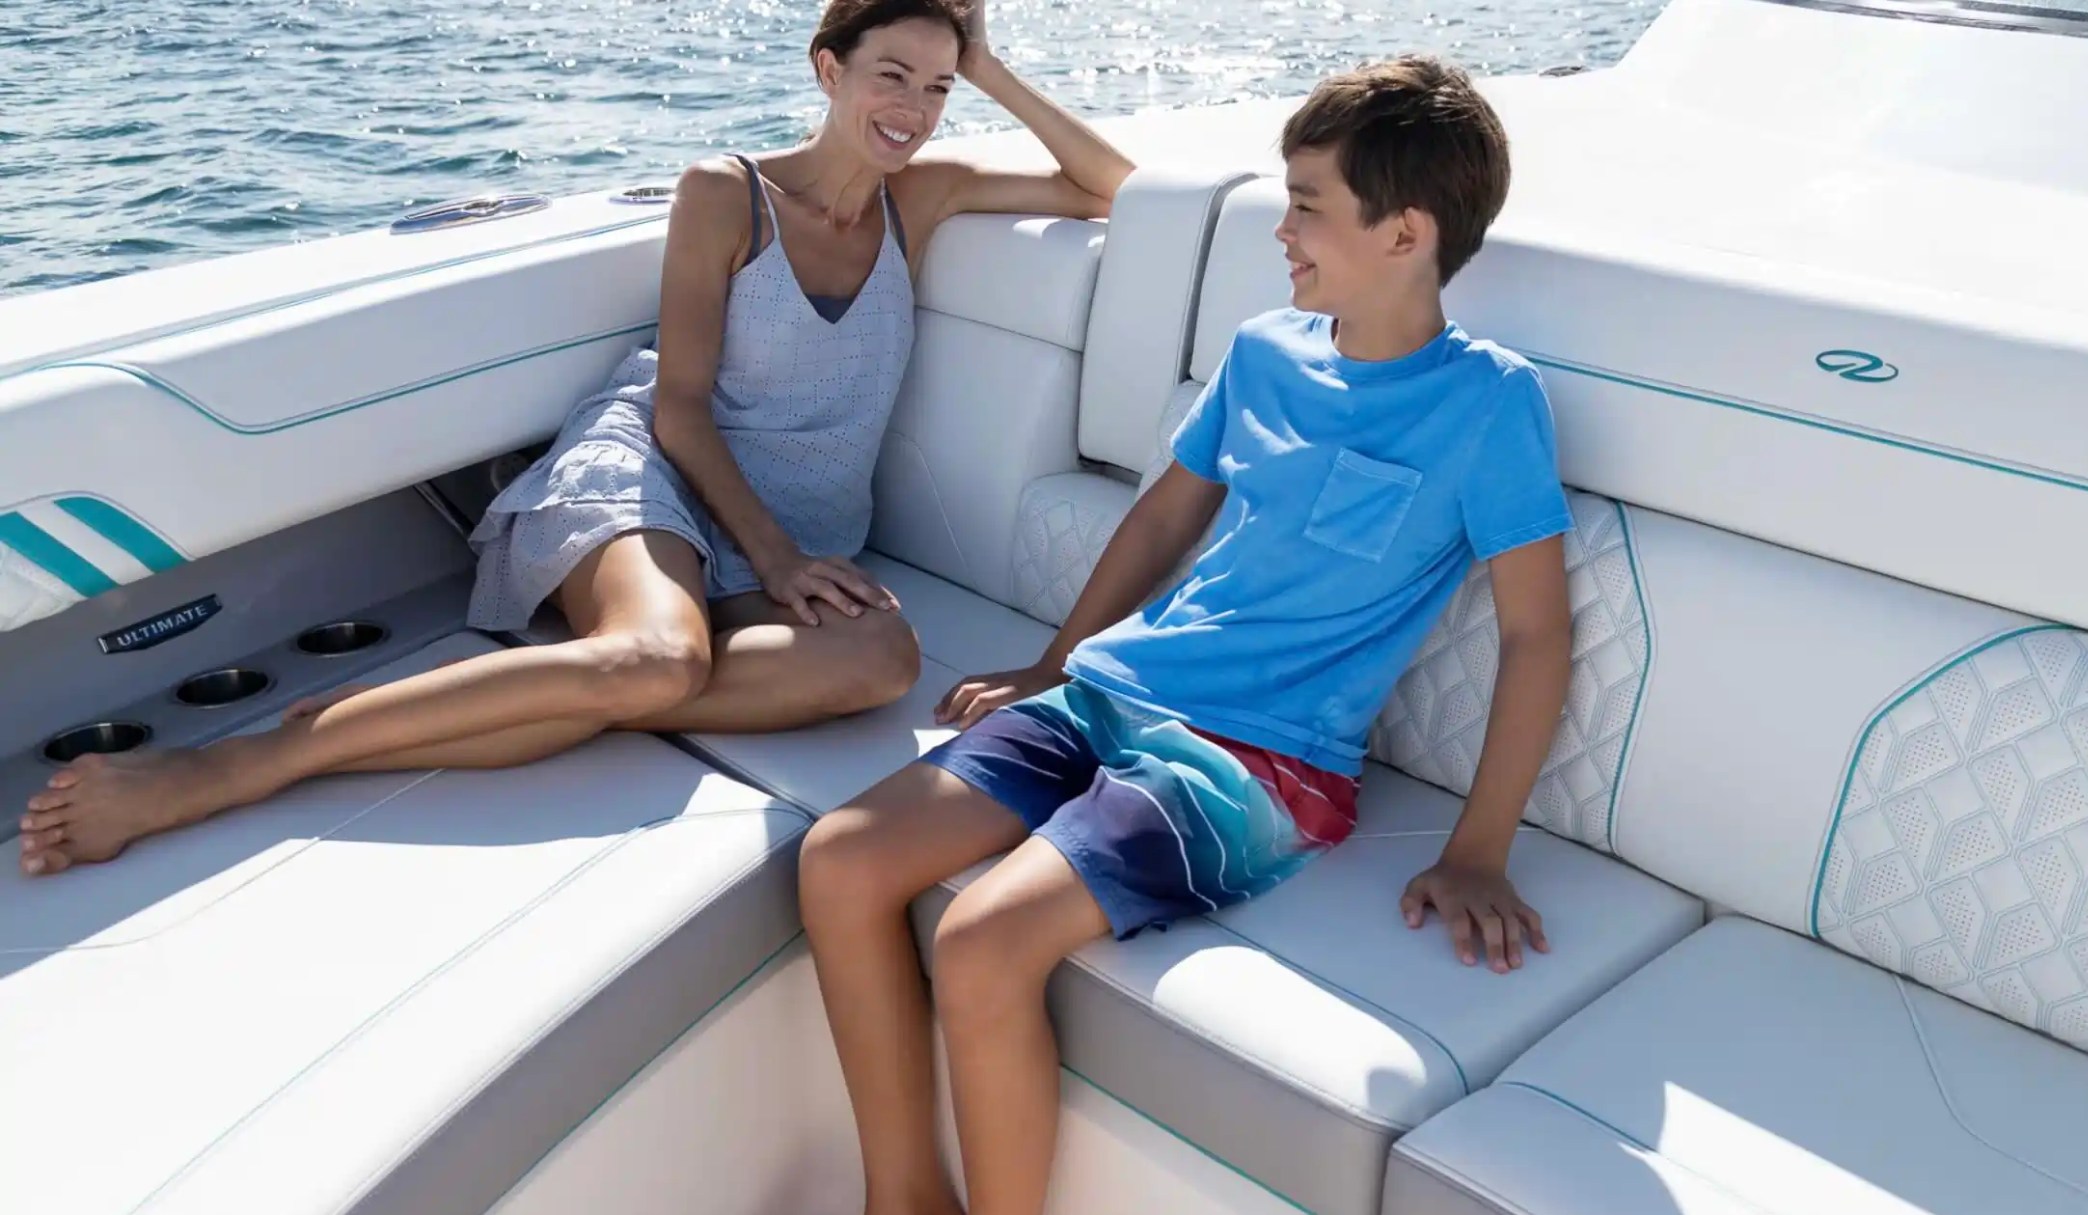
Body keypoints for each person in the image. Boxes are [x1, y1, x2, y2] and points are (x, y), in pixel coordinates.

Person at [16, 0, 1136, 878]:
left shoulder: (922, 196)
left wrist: (982, 63)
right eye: (892, 74)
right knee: (657, 658)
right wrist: (783, 560)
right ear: (826, 68)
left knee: (880, 662)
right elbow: (680, 408)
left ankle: (559, 683)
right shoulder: (725, 193)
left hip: (793, 533)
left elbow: (1112, 185)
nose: (916, 108)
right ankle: (237, 766)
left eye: (937, 88)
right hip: (659, 477)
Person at [797, 53, 1576, 1215]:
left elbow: (1536, 637)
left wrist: (1480, 848)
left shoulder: (1491, 403)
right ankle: (902, 1196)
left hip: (1260, 760)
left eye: (1308, 207)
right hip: (1113, 692)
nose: (1284, 232)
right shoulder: (1266, 349)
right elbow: (1166, 512)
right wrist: (1057, 663)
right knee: (841, 857)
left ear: (1406, 233)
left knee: (984, 941)